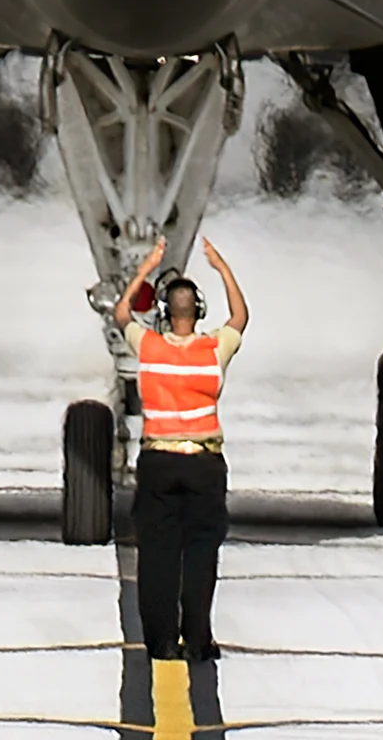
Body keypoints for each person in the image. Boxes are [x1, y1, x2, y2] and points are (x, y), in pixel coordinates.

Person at [111, 233, 250, 663]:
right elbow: (241, 317)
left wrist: (145, 268)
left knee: (157, 555)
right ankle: (198, 639)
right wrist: (222, 267)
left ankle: (162, 642)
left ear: (163, 312)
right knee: (201, 554)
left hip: (158, 462)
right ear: (199, 310)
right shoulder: (213, 350)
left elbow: (120, 313)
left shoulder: (148, 346)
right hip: (204, 463)